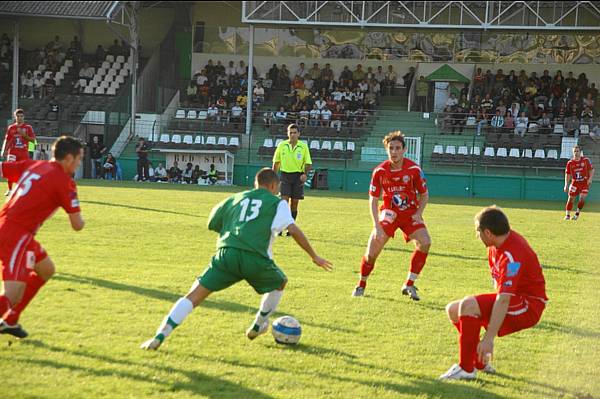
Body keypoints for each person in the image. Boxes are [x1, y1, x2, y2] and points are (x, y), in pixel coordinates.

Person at [140, 168, 332, 350]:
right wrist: (314, 256)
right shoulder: (277, 203)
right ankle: (258, 324)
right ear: (274, 186)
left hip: (227, 254)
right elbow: (293, 229)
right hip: (255, 257)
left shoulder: (236, 198)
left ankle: (159, 336)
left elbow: (212, 222)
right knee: (280, 282)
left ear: (255, 183)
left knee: (193, 296)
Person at [440, 206, 547, 380]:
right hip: (514, 299)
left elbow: (504, 299)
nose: (477, 236)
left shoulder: (512, 255)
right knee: (453, 309)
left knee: (468, 304)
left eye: (478, 231)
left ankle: (466, 369)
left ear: (488, 233)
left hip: (529, 305)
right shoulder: (495, 246)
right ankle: (479, 361)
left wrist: (489, 338)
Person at [0, 136, 85, 338]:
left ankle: (10, 321)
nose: (80, 163)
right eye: (79, 158)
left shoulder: (35, 164)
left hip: (10, 226)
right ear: (69, 158)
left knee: (46, 269)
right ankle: (8, 316)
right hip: (16, 234)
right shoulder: (65, 182)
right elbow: (77, 225)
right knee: (13, 294)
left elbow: (4, 169)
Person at [352, 131, 431, 301]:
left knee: (425, 242)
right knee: (372, 251)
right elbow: (373, 199)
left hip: (410, 213)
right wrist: (376, 225)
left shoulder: (414, 170)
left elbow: (424, 195)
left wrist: (419, 214)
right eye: (391, 148)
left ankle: (409, 284)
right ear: (386, 150)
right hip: (389, 213)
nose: (394, 152)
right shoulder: (380, 171)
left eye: (397, 148)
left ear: (404, 150)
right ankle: (361, 284)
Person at [272, 124, 312, 237]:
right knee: (283, 203)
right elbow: (276, 162)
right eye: (291, 132)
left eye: (295, 132)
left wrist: (305, 174)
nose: (293, 135)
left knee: (294, 204)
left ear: (299, 134)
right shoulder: (282, 145)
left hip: (297, 177)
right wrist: (274, 178)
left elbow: (308, 163)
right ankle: (279, 228)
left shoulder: (303, 147)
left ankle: (291, 229)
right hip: (285, 176)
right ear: (287, 133)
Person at [2, 109, 36, 195]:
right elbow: (7, 140)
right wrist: (4, 150)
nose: (20, 118)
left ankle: (24, 189)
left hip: (23, 152)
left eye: (21, 116)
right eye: (18, 116)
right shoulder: (11, 128)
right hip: (12, 152)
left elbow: (33, 140)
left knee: (24, 172)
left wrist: (24, 135)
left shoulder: (28, 127)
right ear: (15, 117)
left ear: (24, 117)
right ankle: (9, 190)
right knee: (10, 170)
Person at [564, 145, 594, 221]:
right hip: (575, 183)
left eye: (577, 151)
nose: (576, 153)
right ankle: (567, 215)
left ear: (580, 152)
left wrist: (590, 179)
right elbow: (567, 174)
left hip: (584, 183)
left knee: (582, 198)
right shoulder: (570, 163)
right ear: (572, 152)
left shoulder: (586, 160)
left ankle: (577, 214)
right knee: (571, 199)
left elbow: (592, 170)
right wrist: (566, 185)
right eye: (574, 151)